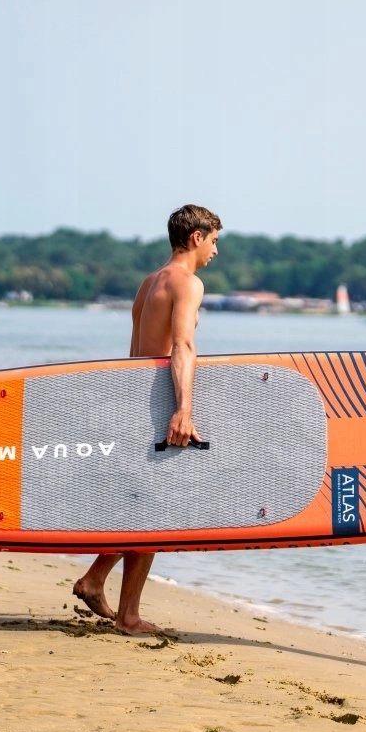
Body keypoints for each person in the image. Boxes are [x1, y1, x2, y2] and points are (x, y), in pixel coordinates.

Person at [72, 203, 222, 635]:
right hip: (157, 402)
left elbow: (134, 352)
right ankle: (126, 613)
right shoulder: (188, 283)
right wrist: (183, 408)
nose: (215, 251)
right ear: (196, 237)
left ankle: (98, 582)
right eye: (214, 241)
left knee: (142, 503)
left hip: (132, 398)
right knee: (153, 509)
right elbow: (182, 346)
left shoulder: (148, 283)